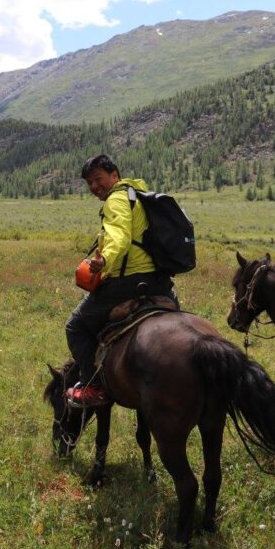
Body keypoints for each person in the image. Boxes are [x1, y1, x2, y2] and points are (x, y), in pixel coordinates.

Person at [65, 155, 177, 408]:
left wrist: (104, 259)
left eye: (98, 179)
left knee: (75, 327)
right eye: (89, 183)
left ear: (114, 175)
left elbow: (119, 236)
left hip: (126, 282)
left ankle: (92, 385)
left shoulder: (116, 200)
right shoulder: (139, 195)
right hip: (159, 282)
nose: (94, 187)